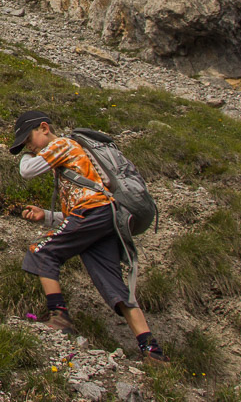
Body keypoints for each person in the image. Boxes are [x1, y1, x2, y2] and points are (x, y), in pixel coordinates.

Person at [10, 109, 167, 363]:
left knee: (42, 251)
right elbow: (73, 214)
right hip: (103, 218)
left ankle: (59, 317)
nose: (29, 146)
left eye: (29, 139)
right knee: (114, 286)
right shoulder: (69, 160)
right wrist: (47, 216)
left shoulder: (62, 144)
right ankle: (152, 349)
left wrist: (27, 154)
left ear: (44, 128)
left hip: (94, 213)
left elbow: (27, 171)